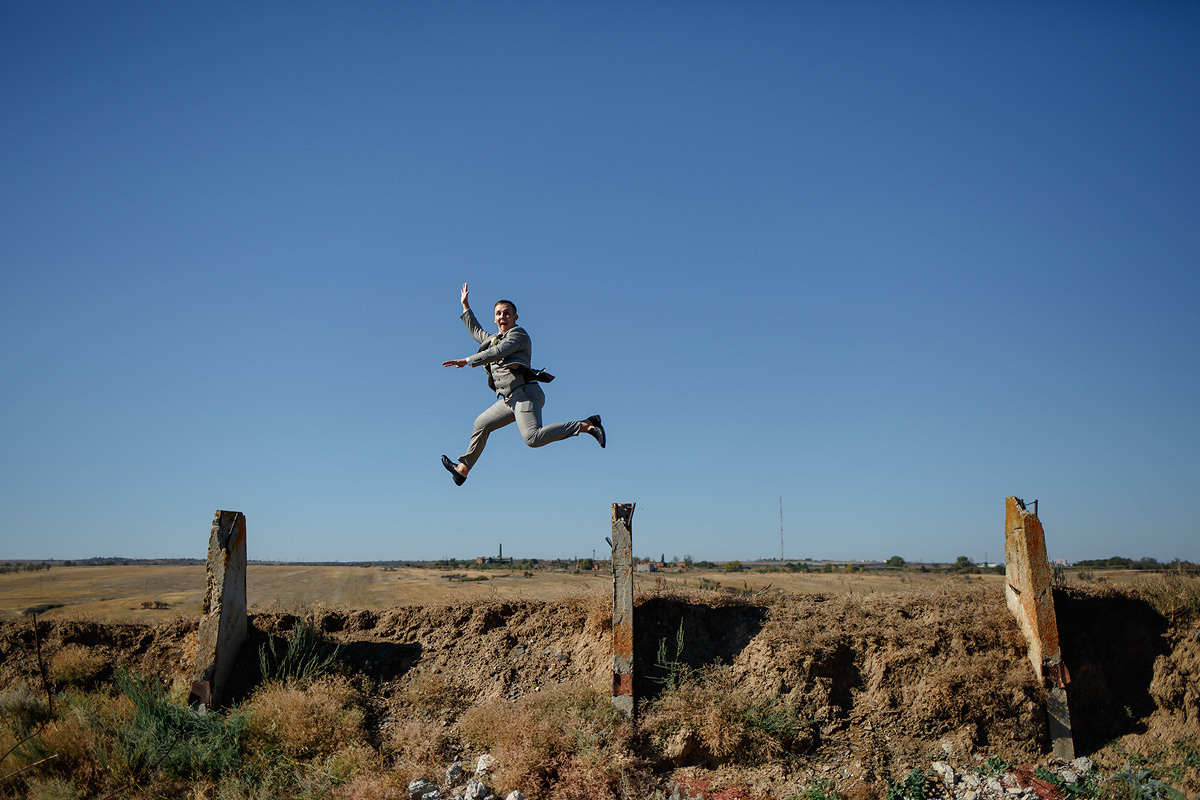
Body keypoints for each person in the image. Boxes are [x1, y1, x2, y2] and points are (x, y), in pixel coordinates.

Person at [440, 283, 605, 486]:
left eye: (507, 313)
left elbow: (497, 353)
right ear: (494, 318)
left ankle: (586, 425)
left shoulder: (519, 335)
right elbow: (477, 332)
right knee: (481, 423)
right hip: (509, 400)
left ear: (515, 317)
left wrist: (467, 361)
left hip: (526, 394)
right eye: (498, 314)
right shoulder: (494, 339)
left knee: (532, 438)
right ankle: (463, 469)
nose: (502, 317)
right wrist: (465, 306)